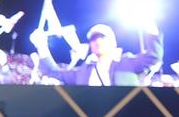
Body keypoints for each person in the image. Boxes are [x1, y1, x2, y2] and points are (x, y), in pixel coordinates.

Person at [33, 22, 163, 86]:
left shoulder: (128, 63)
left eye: (102, 37)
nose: (97, 41)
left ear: (113, 42)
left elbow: (154, 55)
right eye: (93, 39)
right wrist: (41, 46)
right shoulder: (82, 72)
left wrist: (148, 23)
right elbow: (53, 72)